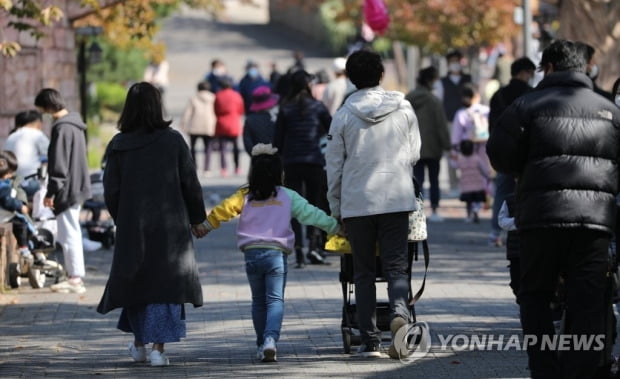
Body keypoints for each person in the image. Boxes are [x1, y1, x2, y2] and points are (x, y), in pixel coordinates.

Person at [487, 39, 620, 379]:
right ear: (584, 68)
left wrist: (526, 168)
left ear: (546, 68)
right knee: (587, 298)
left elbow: (500, 155)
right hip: (594, 223)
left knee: (535, 296)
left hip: (539, 218)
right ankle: (582, 369)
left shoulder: (525, 105)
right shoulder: (610, 109)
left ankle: (544, 368)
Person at [96, 82, 207, 367]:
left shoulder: (119, 145)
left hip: (134, 226)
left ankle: (138, 344)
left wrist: (123, 218)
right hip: (171, 229)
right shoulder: (173, 141)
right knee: (167, 286)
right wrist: (197, 219)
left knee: (138, 283)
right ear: (158, 106)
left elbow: (111, 190)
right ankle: (158, 349)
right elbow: (190, 184)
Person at [202, 143, 341, 362]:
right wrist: (336, 226)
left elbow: (223, 210)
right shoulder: (287, 195)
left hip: (252, 255)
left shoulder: (245, 195)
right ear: (279, 173)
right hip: (276, 255)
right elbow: (311, 214)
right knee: (275, 300)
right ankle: (270, 339)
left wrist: (206, 226)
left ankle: (261, 344)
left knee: (258, 301)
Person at [325, 49, 421, 358]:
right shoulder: (403, 108)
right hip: (396, 198)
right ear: (381, 74)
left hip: (358, 202)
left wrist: (335, 207)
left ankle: (369, 338)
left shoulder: (342, 116)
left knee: (362, 272)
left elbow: (334, 167)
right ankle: (399, 312)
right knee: (396, 267)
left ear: (351, 79)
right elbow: (414, 153)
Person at [34, 88, 91, 294]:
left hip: (67, 188)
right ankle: (74, 275)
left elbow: (58, 165)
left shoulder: (61, 128)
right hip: (77, 184)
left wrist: (51, 192)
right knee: (71, 231)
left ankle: (75, 278)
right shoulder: (75, 124)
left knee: (69, 234)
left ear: (47, 106)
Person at [273, 70, 332, 268]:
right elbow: (332, 130)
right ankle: (314, 247)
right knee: (315, 205)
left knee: (294, 208)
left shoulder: (285, 109)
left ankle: (298, 251)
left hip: (291, 163)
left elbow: (277, 142)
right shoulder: (318, 107)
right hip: (315, 161)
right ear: (308, 86)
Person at [487, 57, 536, 247]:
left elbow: (492, 126)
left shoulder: (499, 95)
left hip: (504, 153)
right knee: (526, 191)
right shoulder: (533, 94)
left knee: (502, 192)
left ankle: (495, 231)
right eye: (530, 73)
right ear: (524, 72)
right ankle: (521, 229)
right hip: (527, 153)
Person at [405, 66, 450, 222]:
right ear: (430, 80)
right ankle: (435, 210)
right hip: (433, 148)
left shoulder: (408, 99)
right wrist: (447, 145)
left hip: (413, 147)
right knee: (434, 180)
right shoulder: (434, 101)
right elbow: (441, 126)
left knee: (417, 180)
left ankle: (417, 210)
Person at [438, 49, 472, 194]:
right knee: (450, 153)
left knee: (467, 152)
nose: (455, 65)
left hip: (467, 121)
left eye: (457, 61)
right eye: (452, 62)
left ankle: (468, 183)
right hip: (449, 121)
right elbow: (439, 101)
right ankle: (453, 184)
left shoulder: (468, 79)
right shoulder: (442, 82)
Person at [0, 151, 41, 265]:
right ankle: (25, 247)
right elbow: (7, 202)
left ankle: (33, 239)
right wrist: (20, 206)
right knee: (22, 223)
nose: (11, 176)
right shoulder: (3, 186)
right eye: (9, 173)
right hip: (3, 217)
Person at [5, 110, 49, 196]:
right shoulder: (37, 135)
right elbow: (51, 156)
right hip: (32, 183)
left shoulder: (11, 137)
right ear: (38, 123)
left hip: (12, 184)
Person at [180, 81, 217, 174]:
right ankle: (207, 169)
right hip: (209, 125)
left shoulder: (193, 98)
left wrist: (183, 123)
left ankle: (194, 166)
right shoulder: (213, 98)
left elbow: (187, 112)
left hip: (194, 126)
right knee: (208, 148)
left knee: (193, 148)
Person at [453, 140, 490, 223]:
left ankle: (469, 215)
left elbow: (454, 165)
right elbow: (484, 169)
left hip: (466, 186)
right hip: (478, 185)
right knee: (477, 200)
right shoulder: (477, 159)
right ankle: (476, 210)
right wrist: (488, 176)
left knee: (468, 202)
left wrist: (452, 158)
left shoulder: (460, 160)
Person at [214, 78, 244, 177]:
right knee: (236, 147)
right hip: (234, 122)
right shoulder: (237, 95)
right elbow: (241, 110)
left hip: (222, 123)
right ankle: (237, 167)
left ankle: (224, 169)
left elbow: (215, 110)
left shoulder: (218, 95)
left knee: (222, 148)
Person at [243, 86, 279, 155]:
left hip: (257, 161)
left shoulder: (249, 120)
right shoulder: (275, 118)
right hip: (276, 159)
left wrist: (255, 156)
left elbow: (247, 143)